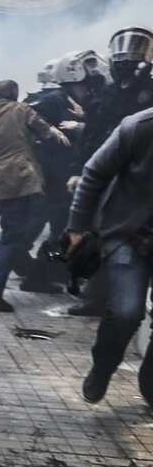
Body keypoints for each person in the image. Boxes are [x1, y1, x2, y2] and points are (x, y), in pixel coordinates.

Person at [65, 105, 153, 405]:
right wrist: (77, 227)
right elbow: (94, 173)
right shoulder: (139, 127)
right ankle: (103, 367)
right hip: (129, 234)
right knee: (127, 310)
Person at [68, 27, 153, 317]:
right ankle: (98, 298)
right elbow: (93, 134)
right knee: (100, 233)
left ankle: (121, 303)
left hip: (139, 178)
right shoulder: (108, 92)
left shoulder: (149, 90)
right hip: (107, 171)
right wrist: (78, 170)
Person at [0, 80, 71, 310]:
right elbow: (43, 129)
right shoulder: (21, 110)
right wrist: (59, 133)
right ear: (14, 95)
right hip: (13, 182)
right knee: (11, 238)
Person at [22, 50, 102, 291]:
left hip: (58, 176)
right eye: (83, 85)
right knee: (60, 229)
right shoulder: (55, 100)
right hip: (55, 177)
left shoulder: (64, 100)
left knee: (57, 227)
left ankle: (42, 273)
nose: (87, 91)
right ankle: (38, 276)